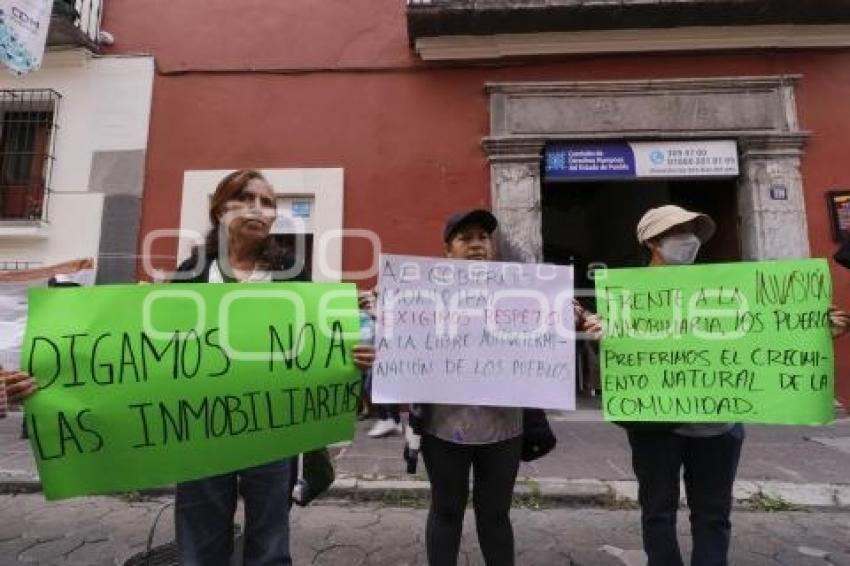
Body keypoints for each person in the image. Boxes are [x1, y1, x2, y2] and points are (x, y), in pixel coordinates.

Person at [627, 205, 848, 566]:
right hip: (655, 425)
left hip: (719, 425)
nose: (690, 240)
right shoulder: (627, 295)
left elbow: (765, 332)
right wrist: (602, 336)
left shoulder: (727, 288)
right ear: (652, 241)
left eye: (693, 231)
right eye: (679, 232)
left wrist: (815, 329)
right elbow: (620, 356)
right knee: (657, 513)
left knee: (714, 515)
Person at [416, 209, 600, 566]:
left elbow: (565, 305)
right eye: (464, 238)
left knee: (496, 515)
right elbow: (386, 310)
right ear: (447, 250)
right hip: (443, 429)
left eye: (482, 238)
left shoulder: (520, 288)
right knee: (446, 511)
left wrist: (588, 318)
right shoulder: (421, 289)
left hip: (504, 429)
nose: (475, 245)